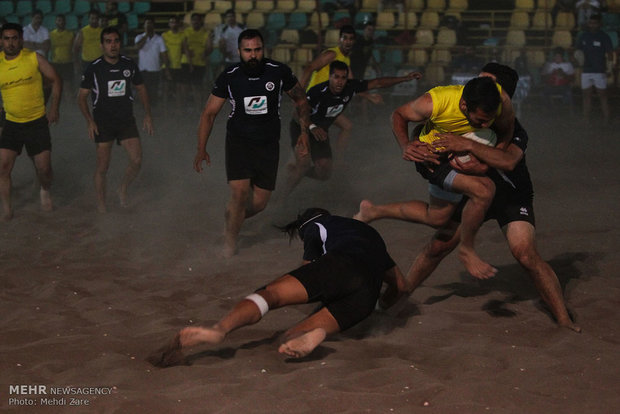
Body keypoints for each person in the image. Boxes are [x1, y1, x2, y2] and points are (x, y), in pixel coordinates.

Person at [356, 62, 581, 332]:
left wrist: (468, 148)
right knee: (439, 243)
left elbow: (507, 162)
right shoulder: (463, 109)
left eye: (488, 83)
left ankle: (564, 319)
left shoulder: (512, 128)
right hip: (475, 191)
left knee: (525, 253)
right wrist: (415, 142)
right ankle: (395, 298)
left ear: (502, 97)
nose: (476, 86)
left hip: (511, 196)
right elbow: (420, 125)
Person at [150, 208, 407, 366]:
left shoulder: (315, 225)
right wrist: (381, 306)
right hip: (365, 295)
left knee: (270, 295)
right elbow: (400, 286)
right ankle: (316, 333)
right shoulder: (368, 234)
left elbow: (308, 268)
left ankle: (219, 330)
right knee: (288, 340)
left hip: (340, 266)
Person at [355, 76, 515, 279]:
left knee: (437, 217)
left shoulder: (500, 100)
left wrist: (488, 161)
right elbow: (398, 114)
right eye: (481, 120)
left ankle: (372, 211)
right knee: (484, 190)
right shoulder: (435, 101)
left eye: (490, 119)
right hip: (431, 156)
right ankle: (466, 249)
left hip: (460, 151)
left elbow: (507, 129)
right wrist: (406, 145)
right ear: (464, 106)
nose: (487, 124)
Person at [193, 29, 312, 258]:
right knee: (239, 194)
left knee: (259, 204)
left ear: (263, 49)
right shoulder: (229, 76)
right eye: (248, 50)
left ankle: (232, 218)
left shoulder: (278, 72)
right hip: (238, 143)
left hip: (268, 146)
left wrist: (304, 131)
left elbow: (301, 99)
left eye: (257, 49)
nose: (253, 55)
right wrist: (201, 149)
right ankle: (230, 244)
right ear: (239, 51)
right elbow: (209, 114)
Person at [283, 61, 421, 197]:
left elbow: (378, 82)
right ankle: (280, 198)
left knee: (324, 172)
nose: (340, 81)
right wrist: (312, 127)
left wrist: (405, 78)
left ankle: (296, 172)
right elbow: (296, 114)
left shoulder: (350, 87)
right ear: (330, 77)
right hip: (302, 128)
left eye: (343, 77)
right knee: (303, 164)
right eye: (336, 77)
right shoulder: (317, 92)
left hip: (321, 132)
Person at [77, 27, 153, 213]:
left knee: (136, 160)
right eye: (108, 41)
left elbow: (141, 89)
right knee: (103, 167)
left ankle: (122, 188)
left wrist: (148, 114)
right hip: (103, 123)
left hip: (126, 120)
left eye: (116, 41)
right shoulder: (94, 68)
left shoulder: (129, 64)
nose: (113, 45)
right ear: (102, 45)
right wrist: (89, 120)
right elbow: (81, 97)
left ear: (120, 43)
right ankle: (102, 204)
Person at [0, 23, 62, 220]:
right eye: (7, 38)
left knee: (44, 168)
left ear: (21, 39)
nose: (11, 42)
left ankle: (44, 190)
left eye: (14, 38)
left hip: (36, 122)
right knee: (3, 167)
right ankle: (7, 208)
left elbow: (55, 80)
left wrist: (53, 108)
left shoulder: (33, 57)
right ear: (1, 41)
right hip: (11, 123)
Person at [300, 25, 356, 156]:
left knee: (346, 126)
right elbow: (309, 68)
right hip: (313, 101)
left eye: (351, 39)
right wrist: (299, 93)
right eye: (345, 38)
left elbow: (353, 83)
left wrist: (368, 96)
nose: (348, 41)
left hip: (325, 102)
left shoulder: (345, 59)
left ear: (354, 41)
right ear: (339, 40)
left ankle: (336, 160)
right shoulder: (332, 54)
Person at [576, 14, 613, 123]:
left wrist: (609, 69)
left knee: (603, 96)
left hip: (599, 70)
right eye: (590, 23)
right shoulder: (583, 36)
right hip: (586, 70)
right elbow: (577, 51)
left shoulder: (604, 36)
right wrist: (577, 58)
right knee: (586, 96)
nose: (592, 25)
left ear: (599, 24)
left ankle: (606, 118)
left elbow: (610, 54)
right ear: (588, 23)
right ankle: (585, 118)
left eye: (594, 23)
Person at [135, 16, 169, 107]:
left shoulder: (159, 39)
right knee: (143, 92)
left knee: (154, 92)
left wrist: (166, 68)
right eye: (147, 24)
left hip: (155, 70)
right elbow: (138, 47)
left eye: (150, 24)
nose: (148, 26)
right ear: (144, 26)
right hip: (143, 70)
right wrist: (146, 35)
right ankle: (144, 111)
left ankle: (154, 111)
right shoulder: (139, 37)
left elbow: (164, 54)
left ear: (154, 26)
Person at [182, 13, 213, 106]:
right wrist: (187, 53)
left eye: (197, 20)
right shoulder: (186, 31)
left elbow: (209, 48)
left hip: (200, 63)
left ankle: (198, 110)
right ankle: (183, 110)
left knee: (197, 88)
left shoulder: (206, 33)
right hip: (186, 62)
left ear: (201, 21)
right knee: (185, 88)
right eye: (194, 20)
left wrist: (206, 53)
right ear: (191, 21)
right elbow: (183, 47)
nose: (196, 21)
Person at [161, 16, 185, 105]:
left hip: (178, 66)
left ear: (178, 24)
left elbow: (184, 49)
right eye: (171, 22)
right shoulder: (164, 35)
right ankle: (165, 110)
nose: (173, 24)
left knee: (178, 90)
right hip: (167, 66)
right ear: (169, 24)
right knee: (166, 89)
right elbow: (162, 52)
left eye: (175, 22)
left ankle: (178, 110)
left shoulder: (182, 35)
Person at [49, 14, 75, 97]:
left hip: (67, 63)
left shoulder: (71, 34)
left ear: (65, 22)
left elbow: (75, 50)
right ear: (55, 22)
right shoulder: (51, 34)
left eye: (62, 20)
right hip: (55, 63)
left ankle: (70, 107)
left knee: (68, 87)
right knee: (56, 86)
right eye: (59, 20)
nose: (61, 22)